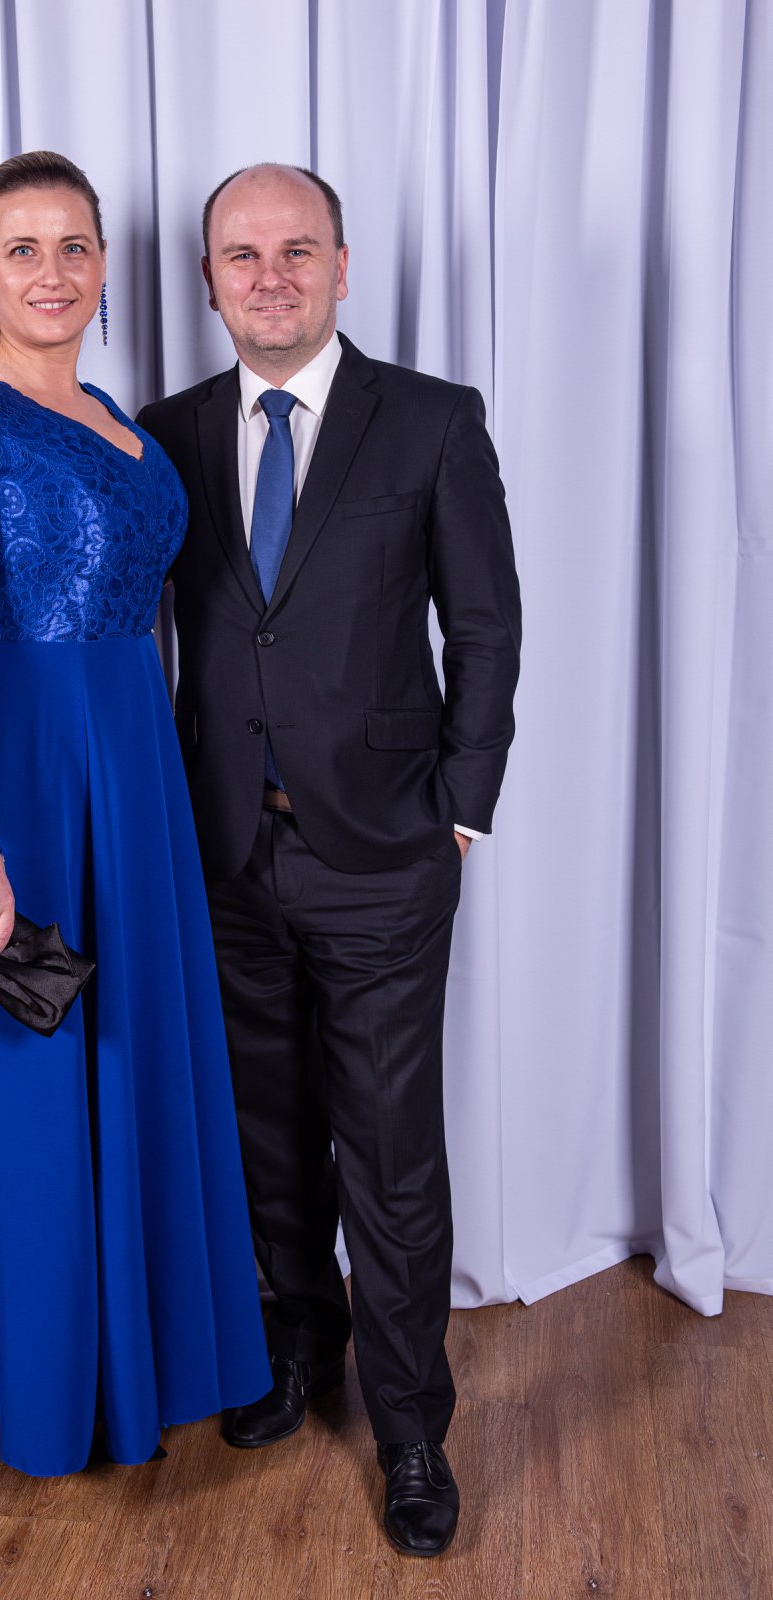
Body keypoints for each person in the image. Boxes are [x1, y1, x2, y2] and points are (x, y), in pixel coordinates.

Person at [0, 151, 271, 1478]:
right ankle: (33, 1391)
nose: (52, 272)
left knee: (126, 1050)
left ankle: (132, 1361)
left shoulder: (108, 414)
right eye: (22, 248)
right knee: (35, 1073)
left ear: (103, 266)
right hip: (14, 783)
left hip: (128, 776)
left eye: (74, 246)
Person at [136, 163, 521, 1556]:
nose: (272, 276)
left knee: (392, 1155)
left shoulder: (430, 420)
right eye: (243, 255)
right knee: (269, 1133)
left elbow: (486, 627)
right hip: (226, 853)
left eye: (298, 250)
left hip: (384, 858)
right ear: (209, 282)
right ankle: (298, 1349)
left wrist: (459, 809)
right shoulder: (165, 437)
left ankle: (412, 1427)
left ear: (343, 268)